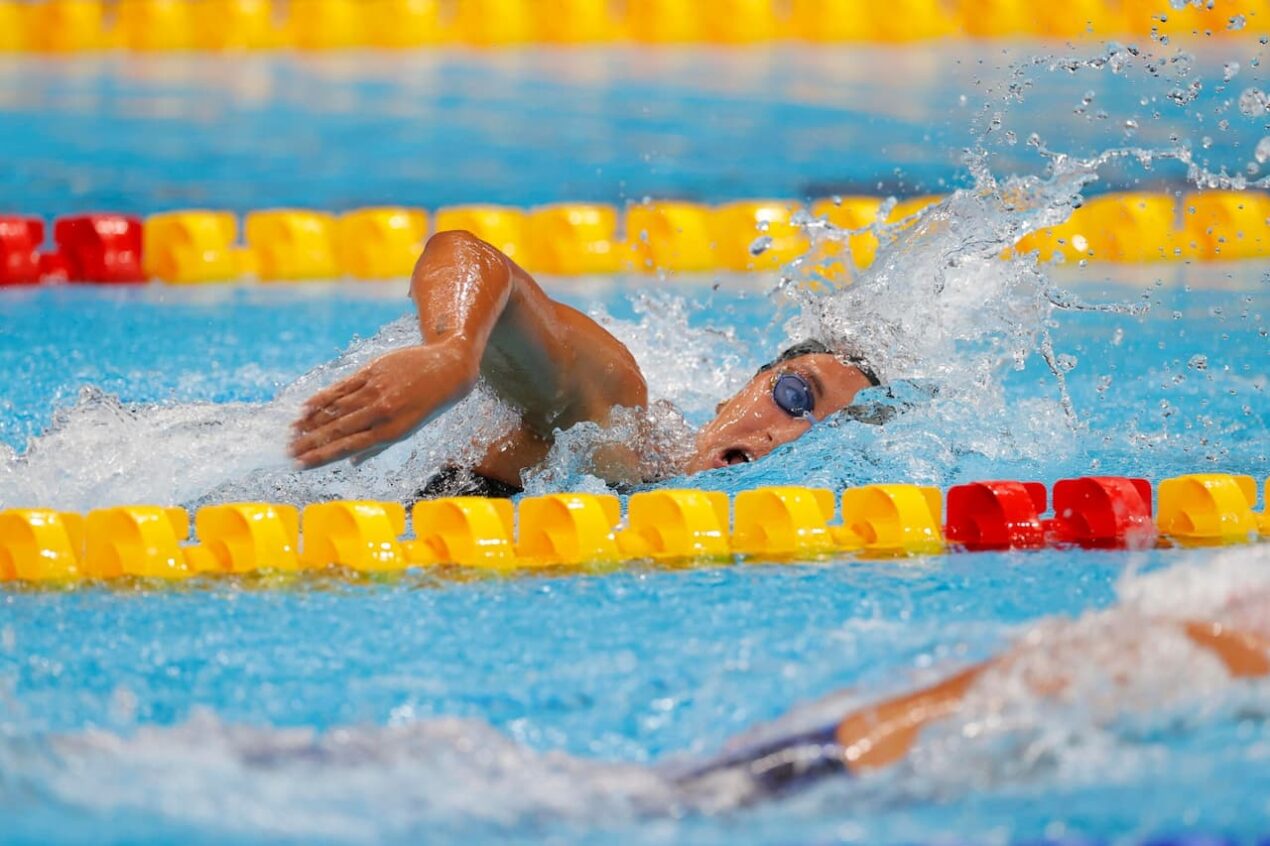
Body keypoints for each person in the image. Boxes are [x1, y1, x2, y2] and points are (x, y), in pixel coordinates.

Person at [289, 230, 880, 491]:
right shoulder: (616, 425)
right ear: (737, 393)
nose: (787, 436)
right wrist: (450, 352)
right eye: (795, 396)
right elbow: (469, 255)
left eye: (825, 436)